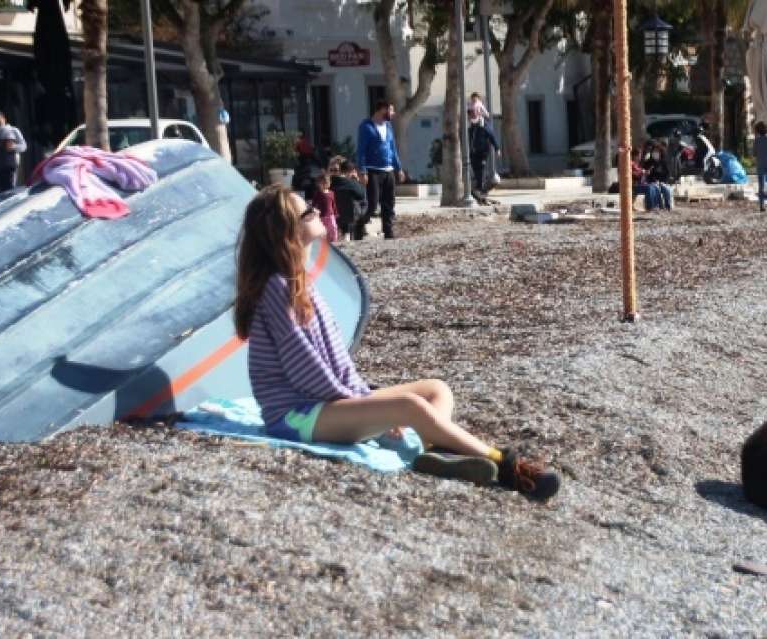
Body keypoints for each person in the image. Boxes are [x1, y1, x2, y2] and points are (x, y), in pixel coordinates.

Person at [234, 184, 562, 500]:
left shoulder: (300, 282)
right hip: (296, 416)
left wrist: (366, 401)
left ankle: (435, 451)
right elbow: (305, 370)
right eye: (306, 211)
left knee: (436, 390)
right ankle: (506, 467)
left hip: (324, 402)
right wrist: (372, 413)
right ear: (288, 232)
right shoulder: (278, 289)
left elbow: (336, 361)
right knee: (409, 407)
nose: (317, 209)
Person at [356, 101, 405, 239]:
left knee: (389, 202)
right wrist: (362, 170)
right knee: (372, 203)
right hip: (373, 171)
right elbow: (361, 150)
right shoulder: (366, 126)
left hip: (388, 170)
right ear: (382, 109)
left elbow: (393, 149)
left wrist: (399, 168)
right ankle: (359, 225)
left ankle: (388, 231)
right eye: (391, 110)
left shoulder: (388, 126)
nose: (393, 114)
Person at [0, 111, 26, 195]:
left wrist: (13, 147)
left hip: (11, 164)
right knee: (1, 190)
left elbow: (23, 146)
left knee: (11, 187)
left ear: (4, 119)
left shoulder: (13, 130)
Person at [331, 159, 367, 242]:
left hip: (335, 215)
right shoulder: (351, 183)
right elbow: (361, 195)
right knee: (362, 203)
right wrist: (357, 181)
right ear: (351, 171)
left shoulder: (330, 182)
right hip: (351, 215)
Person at [468, 115, 500, 204]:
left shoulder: (485, 127)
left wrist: (497, 148)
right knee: (476, 170)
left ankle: (480, 189)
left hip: (482, 154)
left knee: (480, 171)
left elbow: (492, 137)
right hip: (473, 154)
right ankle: (479, 190)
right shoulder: (472, 129)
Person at [638, 140, 672, 211]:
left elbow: (667, 174)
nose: (655, 153)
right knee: (653, 188)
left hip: (662, 182)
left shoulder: (664, 163)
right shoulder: (648, 162)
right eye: (654, 151)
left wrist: (663, 182)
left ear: (660, 153)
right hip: (652, 182)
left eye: (657, 152)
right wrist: (652, 180)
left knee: (666, 189)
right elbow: (646, 174)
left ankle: (668, 206)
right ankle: (653, 207)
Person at [312, 172, 339, 242]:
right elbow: (314, 204)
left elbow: (333, 204)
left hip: (331, 215)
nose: (325, 184)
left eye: (327, 182)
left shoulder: (331, 193)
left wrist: (336, 212)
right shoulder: (318, 193)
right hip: (322, 216)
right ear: (318, 184)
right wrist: (313, 211)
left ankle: (334, 240)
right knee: (323, 230)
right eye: (322, 183)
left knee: (333, 228)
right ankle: (323, 241)